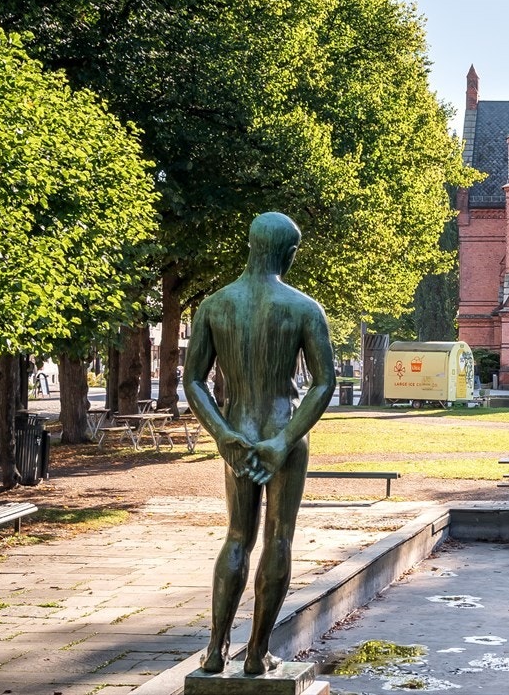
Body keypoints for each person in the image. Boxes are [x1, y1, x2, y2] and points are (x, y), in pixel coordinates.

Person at [184, 213, 336, 677]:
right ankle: (256, 654)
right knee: (279, 537)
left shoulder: (214, 305)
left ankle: (214, 651)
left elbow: (193, 381)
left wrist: (223, 435)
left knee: (236, 536)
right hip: (282, 432)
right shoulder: (303, 307)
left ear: (250, 245)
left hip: (237, 431)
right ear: (288, 253)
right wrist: (284, 439)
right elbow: (323, 384)